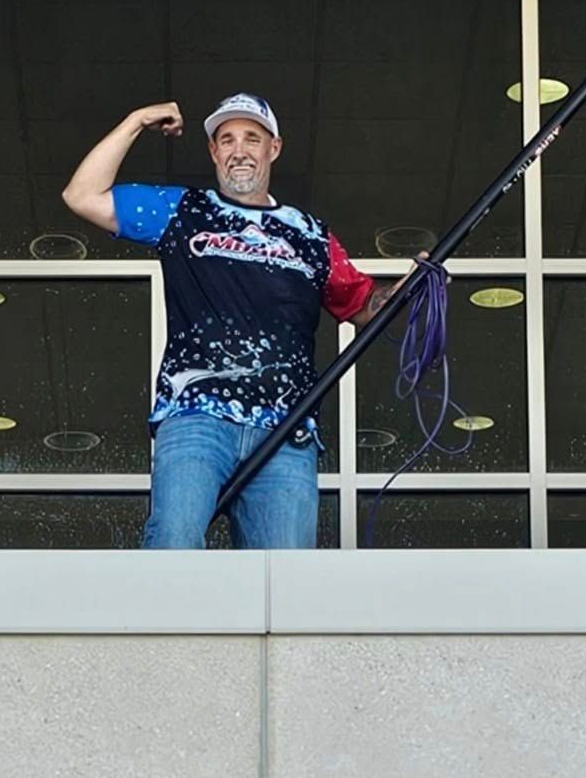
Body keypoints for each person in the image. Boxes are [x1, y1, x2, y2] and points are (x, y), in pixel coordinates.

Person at [62, 93, 399, 549]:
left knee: (286, 590)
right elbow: (81, 195)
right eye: (226, 140)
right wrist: (136, 120)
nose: (239, 149)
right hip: (196, 418)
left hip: (286, 430)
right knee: (173, 549)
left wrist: (407, 292)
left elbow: (362, 306)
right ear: (214, 152)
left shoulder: (311, 235)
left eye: (252, 138)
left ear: (273, 148)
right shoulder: (183, 210)